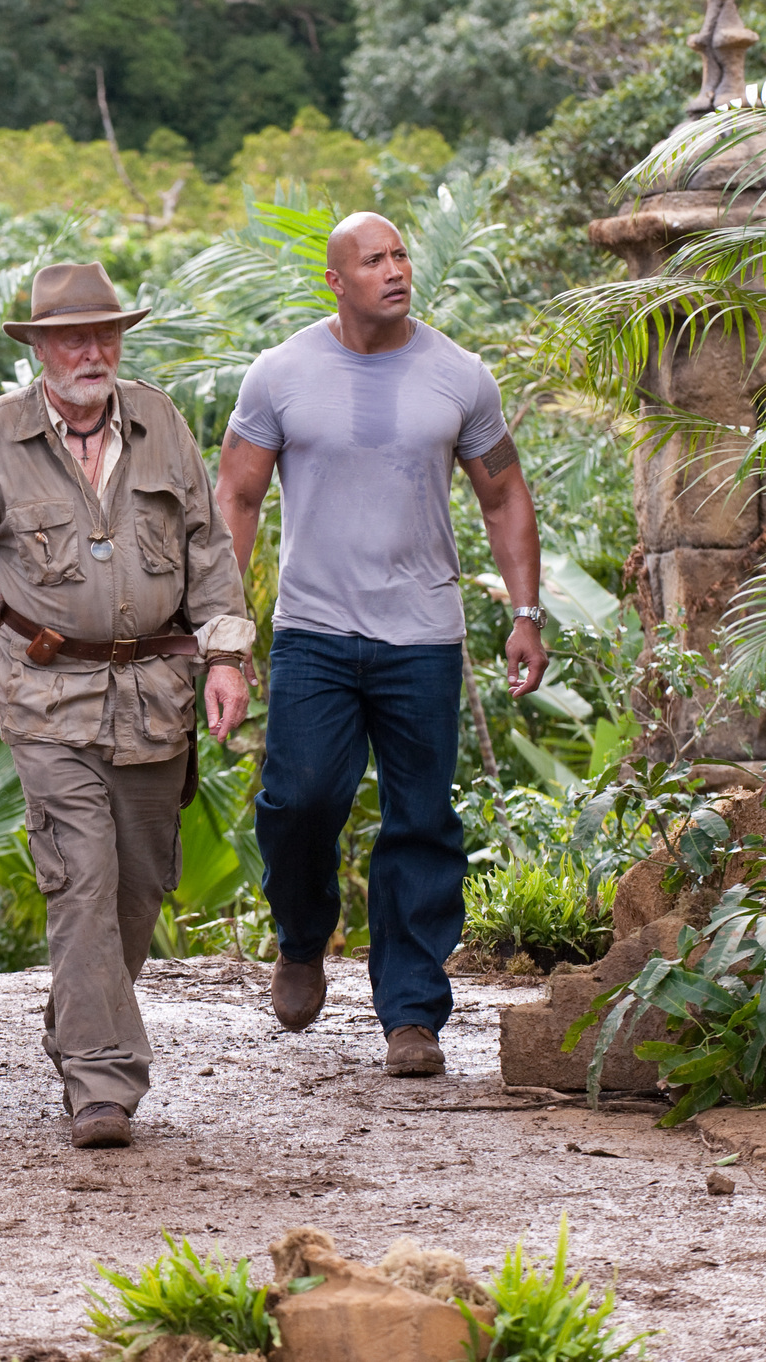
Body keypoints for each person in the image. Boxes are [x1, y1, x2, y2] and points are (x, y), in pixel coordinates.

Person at [0, 263, 254, 1149]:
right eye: (71, 337)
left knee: (139, 888)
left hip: (155, 697)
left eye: (104, 334)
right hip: (46, 696)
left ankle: (75, 1024)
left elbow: (207, 547)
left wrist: (227, 655)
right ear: (40, 350)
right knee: (82, 877)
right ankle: (102, 1081)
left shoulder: (161, 421)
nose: (91, 350)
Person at [215, 211, 548, 1077]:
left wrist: (526, 611)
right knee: (297, 800)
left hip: (422, 636)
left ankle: (411, 1014)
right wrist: (225, 627)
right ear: (336, 279)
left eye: (401, 254)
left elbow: (503, 495)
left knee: (421, 822)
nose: (396, 269)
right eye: (374, 259)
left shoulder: (459, 375)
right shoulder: (280, 374)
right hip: (315, 633)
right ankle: (301, 935)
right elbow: (237, 498)